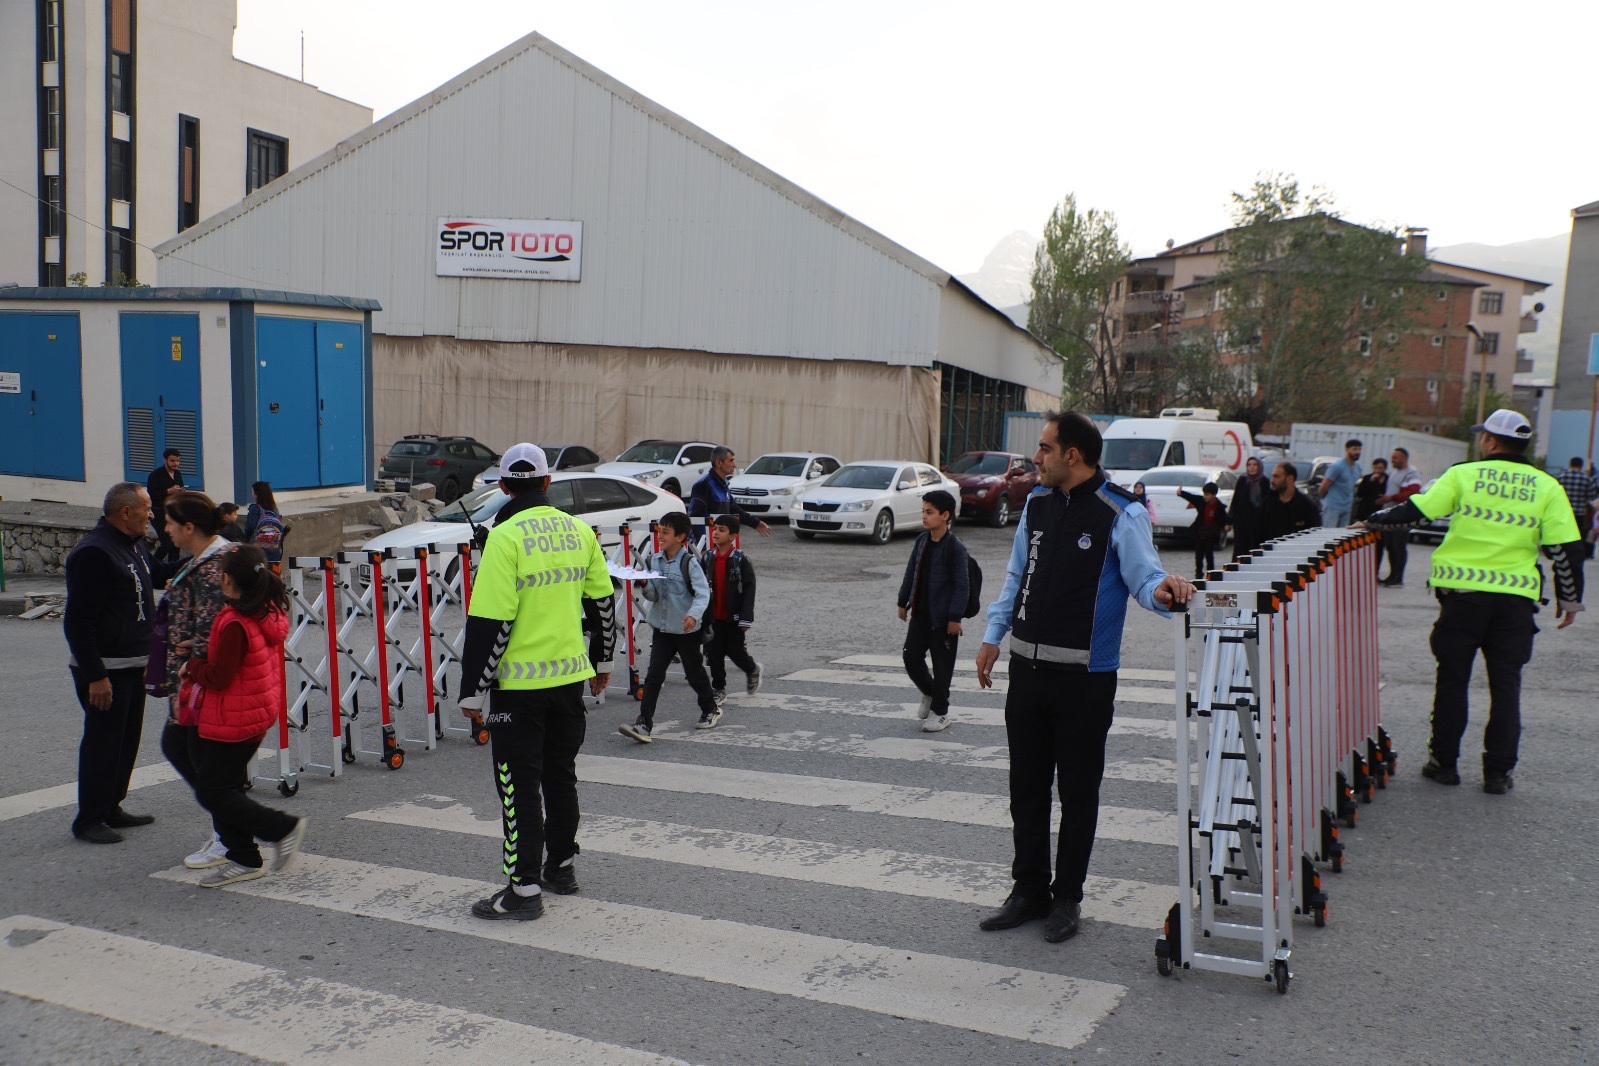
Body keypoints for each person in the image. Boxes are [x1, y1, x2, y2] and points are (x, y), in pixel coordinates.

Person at [974, 411, 1194, 944]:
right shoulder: (1037, 502)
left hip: (1084, 679)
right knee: (1026, 790)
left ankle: (1067, 898)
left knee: (1078, 792)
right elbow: (1016, 572)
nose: (1037, 459)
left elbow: (1143, 579)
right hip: (1027, 670)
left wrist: (1165, 592)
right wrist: (993, 633)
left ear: (1072, 454)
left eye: (1045, 449)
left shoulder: (1123, 511)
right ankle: (1028, 889)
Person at [1362, 409, 1583, 794]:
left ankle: (1444, 764)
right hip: (1515, 604)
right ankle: (1498, 774)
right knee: (1506, 687)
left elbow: (1413, 513)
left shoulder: (1463, 474)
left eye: (1484, 436)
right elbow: (1565, 549)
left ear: (1491, 442)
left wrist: (1371, 521)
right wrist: (1569, 598)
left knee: (1452, 681)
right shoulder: (1547, 486)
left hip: (1463, 601)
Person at [456, 443, 617, 920]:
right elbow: (601, 604)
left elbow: (491, 622)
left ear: (503, 485)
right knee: (559, 776)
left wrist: (472, 688)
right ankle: (561, 866)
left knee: (517, 787)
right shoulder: (579, 530)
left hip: (519, 691)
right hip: (569, 682)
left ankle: (523, 890)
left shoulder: (504, 538)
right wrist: (603, 662)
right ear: (548, 482)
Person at [176, 547, 307, 886]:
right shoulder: (263, 610)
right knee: (223, 787)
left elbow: (220, 676)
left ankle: (281, 828)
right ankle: (245, 857)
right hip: (249, 713)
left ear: (228, 579)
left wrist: (192, 666)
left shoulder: (236, 621)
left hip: (233, 718)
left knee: (212, 791)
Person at [63, 483, 162, 844]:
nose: (151, 514)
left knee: (125, 743)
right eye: (147, 508)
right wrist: (95, 676)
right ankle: (89, 819)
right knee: (103, 744)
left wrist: (205, 557)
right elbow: (77, 623)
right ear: (125, 512)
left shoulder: (132, 546)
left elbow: (161, 574)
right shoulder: (94, 553)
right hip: (105, 670)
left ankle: (111, 806)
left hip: (133, 665)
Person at [152, 491, 242, 871]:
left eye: (171, 523)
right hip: (192, 681)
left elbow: (234, 622)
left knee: (197, 758)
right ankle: (235, 829)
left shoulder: (218, 565)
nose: (166, 529)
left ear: (189, 527)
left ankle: (233, 835)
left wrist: (199, 645)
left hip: (204, 683)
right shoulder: (205, 560)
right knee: (190, 753)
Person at [620, 511, 719, 741]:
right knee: (654, 676)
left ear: (680, 536)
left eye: (666, 532)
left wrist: (693, 616)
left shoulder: (689, 562)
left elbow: (703, 594)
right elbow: (654, 596)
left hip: (685, 630)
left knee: (694, 674)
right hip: (662, 629)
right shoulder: (654, 560)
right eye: (660, 531)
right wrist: (644, 583)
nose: (661, 535)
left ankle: (710, 708)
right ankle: (644, 724)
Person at [896, 489, 970, 733]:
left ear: (945, 515)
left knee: (942, 666)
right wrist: (902, 601)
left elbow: (962, 586)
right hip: (920, 614)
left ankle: (941, 712)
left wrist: (954, 618)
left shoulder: (955, 548)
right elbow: (911, 571)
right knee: (910, 657)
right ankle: (929, 692)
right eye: (923, 512)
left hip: (943, 620)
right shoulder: (922, 541)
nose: (924, 517)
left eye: (930, 512)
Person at [700, 514, 762, 705]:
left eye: (721, 530)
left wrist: (745, 618)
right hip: (712, 617)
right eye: (715, 529)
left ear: (733, 536)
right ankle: (719, 688)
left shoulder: (740, 559)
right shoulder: (707, 558)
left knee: (735, 651)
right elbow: (700, 587)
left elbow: (749, 590)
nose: (716, 533)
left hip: (733, 617)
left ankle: (752, 669)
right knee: (714, 653)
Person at [688, 446, 771, 539]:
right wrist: (703, 546)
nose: (734, 465)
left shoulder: (723, 485)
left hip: (719, 543)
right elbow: (695, 519)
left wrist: (756, 523)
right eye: (731, 461)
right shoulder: (704, 485)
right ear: (719, 462)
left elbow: (735, 510)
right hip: (707, 545)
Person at [1376, 448, 1423, 586]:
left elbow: (1412, 492)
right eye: (1392, 457)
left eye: (1395, 458)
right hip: (1389, 515)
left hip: (1402, 515)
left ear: (1404, 458)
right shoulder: (1393, 472)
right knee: (1390, 546)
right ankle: (1392, 575)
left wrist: (1391, 497)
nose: (1392, 460)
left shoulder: (1411, 473)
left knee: (1398, 546)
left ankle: (1398, 577)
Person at [1258, 461, 1322, 541]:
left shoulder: (1306, 506)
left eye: (1276, 477)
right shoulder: (1267, 503)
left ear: (1290, 479)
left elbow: (1314, 535)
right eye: (1272, 476)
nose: (1272, 481)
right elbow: (1258, 533)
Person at [1177, 481, 1226, 578]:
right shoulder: (1201, 501)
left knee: (1209, 554)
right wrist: (1181, 493)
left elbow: (1224, 519)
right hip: (1200, 532)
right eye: (1204, 494)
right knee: (1199, 555)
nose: (1205, 496)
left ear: (1214, 495)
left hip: (1211, 534)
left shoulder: (1219, 507)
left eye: (1207, 495)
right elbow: (1192, 497)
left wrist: (1226, 526)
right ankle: (1198, 575)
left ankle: (1211, 575)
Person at [1554, 456, 1599, 561]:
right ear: (1581, 465)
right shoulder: (1587, 479)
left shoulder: (1561, 477)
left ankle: (1563, 553)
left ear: (1570, 464)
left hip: (1563, 512)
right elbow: (1591, 497)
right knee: (1578, 535)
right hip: (1580, 513)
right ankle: (1576, 555)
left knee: (1563, 534)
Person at [146, 448, 186, 563]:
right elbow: (151, 495)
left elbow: (180, 487)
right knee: (166, 543)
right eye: (172, 461)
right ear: (165, 460)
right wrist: (168, 491)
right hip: (158, 513)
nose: (175, 464)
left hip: (172, 512)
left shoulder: (178, 474)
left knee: (176, 544)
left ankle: (173, 569)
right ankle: (152, 565)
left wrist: (181, 492)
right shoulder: (155, 475)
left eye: (178, 461)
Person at [1227, 457, 1268, 559]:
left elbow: (1267, 503)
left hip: (1257, 522)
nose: (1252, 467)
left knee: (1255, 547)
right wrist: (1229, 521)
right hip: (1241, 522)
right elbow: (1235, 500)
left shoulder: (1264, 482)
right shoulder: (1242, 480)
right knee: (1240, 548)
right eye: (1249, 465)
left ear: (1259, 467)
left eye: (1255, 464)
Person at [1318, 439, 1363, 527]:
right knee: (1328, 534)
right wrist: (1326, 501)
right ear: (1347, 450)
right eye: (1354, 449)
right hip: (1333, 506)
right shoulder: (1337, 466)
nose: (1357, 452)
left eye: (1359, 449)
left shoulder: (1358, 468)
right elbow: (1324, 487)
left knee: (1341, 535)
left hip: (1347, 506)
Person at [242, 481, 286, 563]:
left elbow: (250, 528)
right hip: (275, 552)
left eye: (253, 492)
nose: (252, 494)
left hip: (257, 552)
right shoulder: (274, 509)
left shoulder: (255, 508)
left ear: (256, 494)